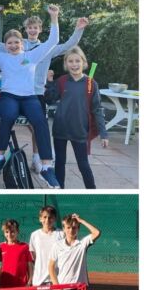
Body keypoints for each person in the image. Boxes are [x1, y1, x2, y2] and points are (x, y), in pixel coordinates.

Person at [0, 14, 89, 173]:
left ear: (40, 29)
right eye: (30, 27)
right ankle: (2, 155)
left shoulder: (47, 48)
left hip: (36, 93)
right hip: (14, 92)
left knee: (39, 125)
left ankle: (37, 158)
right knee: (9, 118)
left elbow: (67, 45)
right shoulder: (17, 44)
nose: (33, 30)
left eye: (35, 27)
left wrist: (78, 30)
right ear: (26, 29)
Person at [0, 6, 61, 187]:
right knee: (7, 117)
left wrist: (54, 18)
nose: (14, 45)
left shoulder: (32, 56)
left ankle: (47, 166)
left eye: (17, 42)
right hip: (8, 96)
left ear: (22, 44)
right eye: (10, 43)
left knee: (40, 121)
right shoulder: (2, 57)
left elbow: (53, 41)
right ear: (5, 45)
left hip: (29, 97)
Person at [45, 46, 108, 188]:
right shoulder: (62, 81)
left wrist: (104, 133)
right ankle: (59, 190)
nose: (74, 64)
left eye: (77, 61)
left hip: (80, 130)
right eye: (70, 61)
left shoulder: (91, 84)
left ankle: (92, 192)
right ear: (66, 64)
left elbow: (97, 109)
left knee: (83, 165)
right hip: (60, 129)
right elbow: (50, 99)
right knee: (60, 162)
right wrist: (49, 82)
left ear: (84, 63)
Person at [48, 213, 101, 290]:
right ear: (63, 228)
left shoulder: (82, 243)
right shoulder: (57, 245)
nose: (71, 230)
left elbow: (97, 232)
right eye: (68, 227)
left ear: (78, 228)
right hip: (62, 288)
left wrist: (81, 220)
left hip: (80, 289)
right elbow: (51, 266)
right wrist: (56, 284)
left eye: (74, 227)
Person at [29, 206, 65, 290]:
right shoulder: (34, 235)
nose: (47, 220)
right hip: (39, 281)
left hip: (56, 281)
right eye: (44, 217)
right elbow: (33, 257)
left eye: (50, 217)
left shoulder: (61, 234)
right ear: (40, 219)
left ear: (54, 219)